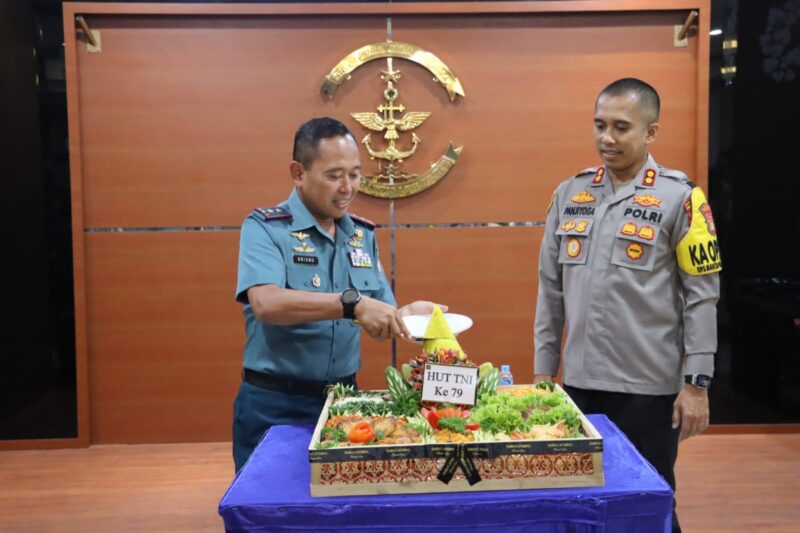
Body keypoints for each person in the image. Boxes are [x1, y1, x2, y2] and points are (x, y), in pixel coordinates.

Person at [533, 78, 721, 533]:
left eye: (621, 127)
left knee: (647, 501)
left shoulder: (682, 198)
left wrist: (696, 383)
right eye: (599, 125)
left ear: (650, 132)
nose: (607, 138)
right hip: (578, 384)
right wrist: (543, 374)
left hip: (649, 390)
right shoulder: (570, 194)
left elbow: (703, 295)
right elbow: (549, 290)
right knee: (575, 501)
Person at [233, 117, 442, 471]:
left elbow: (379, 317)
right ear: (298, 173)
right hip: (275, 402)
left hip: (343, 401)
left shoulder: (362, 235)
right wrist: (352, 304)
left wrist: (405, 316)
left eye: (355, 174)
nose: (348, 187)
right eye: (334, 175)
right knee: (272, 513)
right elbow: (266, 303)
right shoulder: (266, 228)